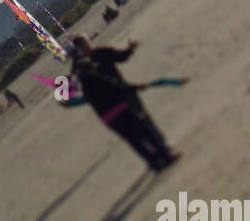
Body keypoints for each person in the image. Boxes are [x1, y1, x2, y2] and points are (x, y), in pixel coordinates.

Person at [69, 36, 178, 173]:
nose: (85, 47)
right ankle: (156, 158)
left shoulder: (102, 52)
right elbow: (78, 89)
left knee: (143, 119)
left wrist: (130, 49)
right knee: (136, 132)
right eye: (81, 46)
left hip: (123, 94)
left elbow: (121, 57)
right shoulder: (82, 69)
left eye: (85, 43)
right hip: (114, 101)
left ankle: (161, 146)